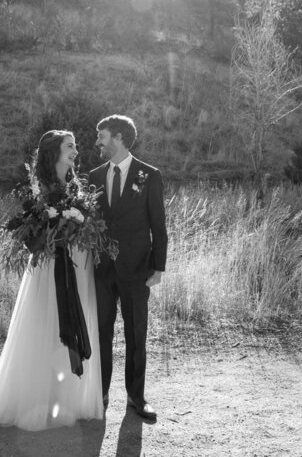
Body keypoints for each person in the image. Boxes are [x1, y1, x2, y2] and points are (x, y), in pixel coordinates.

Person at [0, 130, 103, 431]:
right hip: (50, 266)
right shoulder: (42, 190)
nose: (76, 150)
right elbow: (33, 233)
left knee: (74, 318)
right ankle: (38, 400)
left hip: (76, 264)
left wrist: (78, 226)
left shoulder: (76, 187)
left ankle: (70, 399)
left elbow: (84, 222)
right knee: (44, 325)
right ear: (54, 152)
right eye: (69, 146)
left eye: (75, 145)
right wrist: (56, 228)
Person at [89, 115, 167, 421]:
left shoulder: (149, 175)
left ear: (119, 138)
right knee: (102, 332)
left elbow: (159, 227)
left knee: (137, 335)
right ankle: (101, 393)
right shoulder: (94, 176)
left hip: (137, 270)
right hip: (102, 270)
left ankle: (137, 397)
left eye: (102, 136)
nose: (98, 142)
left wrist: (158, 268)